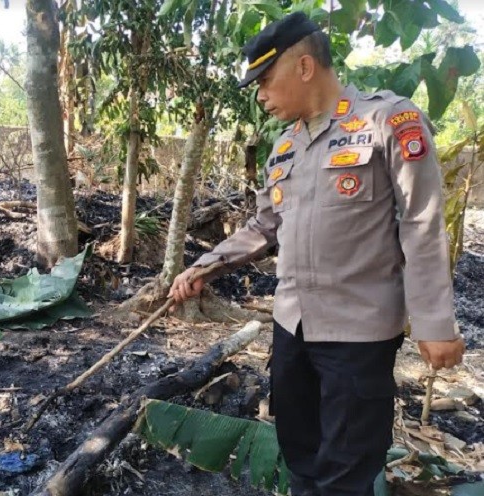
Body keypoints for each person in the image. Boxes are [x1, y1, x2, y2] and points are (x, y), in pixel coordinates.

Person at [168, 12, 465, 496]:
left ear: (304, 67)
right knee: (300, 457)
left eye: (265, 80)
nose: (260, 95)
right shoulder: (285, 147)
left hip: (358, 334)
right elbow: (264, 225)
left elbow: (421, 221)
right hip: (292, 329)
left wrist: (435, 325)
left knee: (345, 472)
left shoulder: (388, 121)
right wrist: (207, 265)